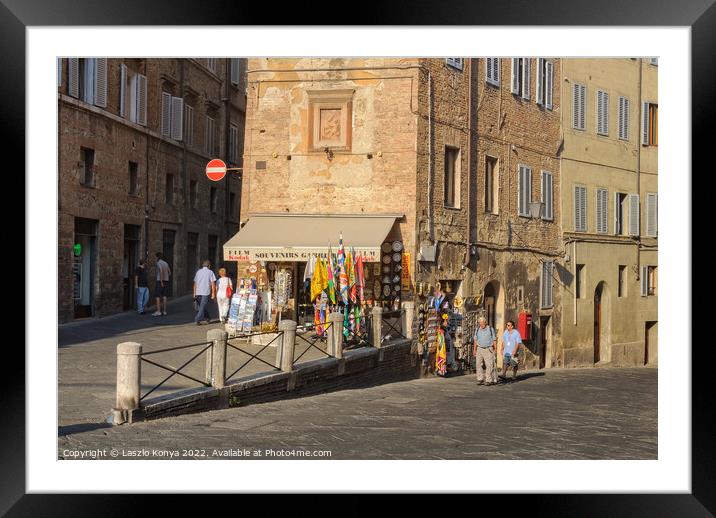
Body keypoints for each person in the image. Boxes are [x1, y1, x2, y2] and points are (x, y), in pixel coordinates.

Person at [473, 316, 497, 386]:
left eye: (482, 323)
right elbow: (475, 340)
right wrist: (474, 350)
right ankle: (480, 379)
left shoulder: (490, 329)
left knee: (489, 365)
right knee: (478, 364)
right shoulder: (477, 329)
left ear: (485, 322)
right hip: (479, 348)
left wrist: (495, 348)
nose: (481, 325)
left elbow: (494, 339)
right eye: (480, 323)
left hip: (488, 349)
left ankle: (488, 380)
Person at [193, 260, 216, 325]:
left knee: (202, 306)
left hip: (198, 292)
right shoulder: (210, 272)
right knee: (202, 306)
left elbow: (195, 283)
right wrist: (213, 293)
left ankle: (203, 318)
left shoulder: (198, 272)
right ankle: (198, 319)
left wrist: (194, 293)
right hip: (205, 292)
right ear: (209, 265)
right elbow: (213, 283)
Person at [152, 252, 172, 316]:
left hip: (160, 281)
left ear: (157, 257)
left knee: (157, 296)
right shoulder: (166, 263)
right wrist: (166, 277)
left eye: (156, 257)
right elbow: (170, 272)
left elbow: (161, 271)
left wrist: (161, 281)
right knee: (164, 296)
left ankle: (158, 311)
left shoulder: (158, 263)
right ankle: (165, 311)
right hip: (166, 281)